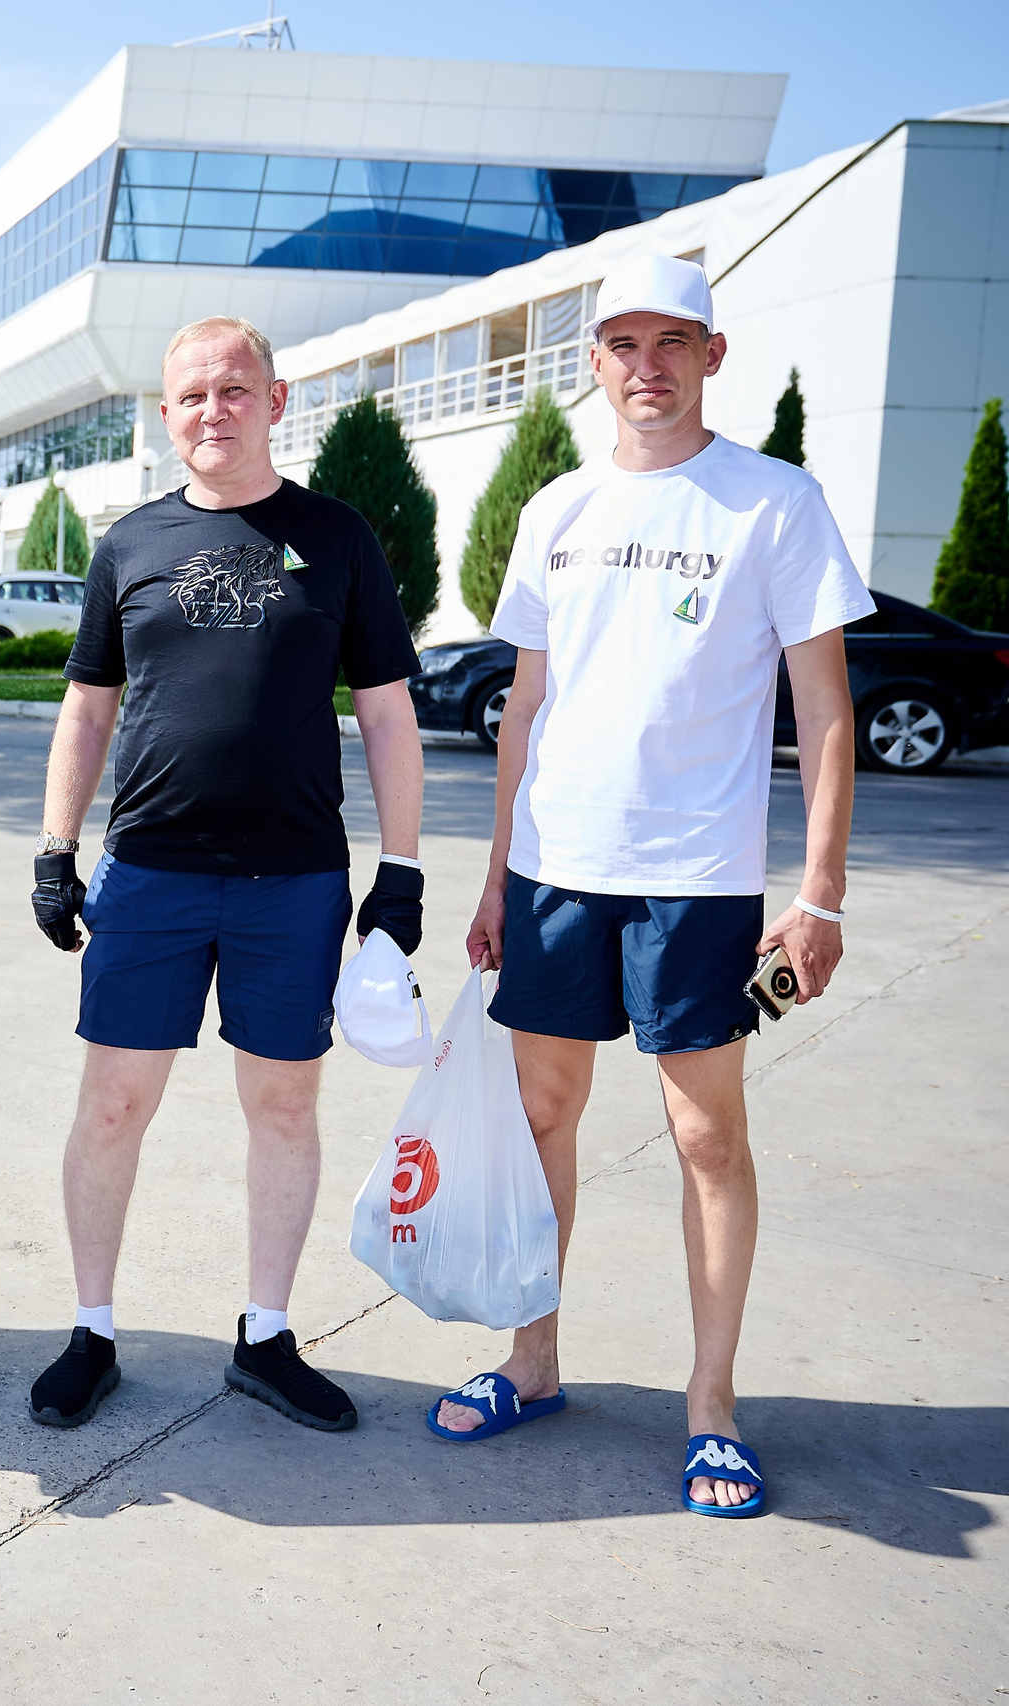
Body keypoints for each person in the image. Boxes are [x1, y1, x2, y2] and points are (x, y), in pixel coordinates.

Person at [447, 255, 869, 1519]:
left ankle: (710, 1404)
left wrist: (822, 893)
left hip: (697, 880)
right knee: (539, 1120)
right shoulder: (554, 511)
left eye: (670, 341)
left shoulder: (772, 503)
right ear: (593, 363)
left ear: (711, 354)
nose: (646, 365)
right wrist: (490, 878)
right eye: (621, 342)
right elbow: (524, 703)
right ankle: (533, 1357)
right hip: (551, 871)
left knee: (705, 1135)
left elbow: (826, 709)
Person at [25, 315, 425, 1434]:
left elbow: (388, 713)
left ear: (275, 399)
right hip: (149, 872)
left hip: (292, 880)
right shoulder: (129, 544)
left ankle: (265, 1331)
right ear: (167, 415)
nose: (213, 410)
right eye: (191, 395)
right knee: (111, 1104)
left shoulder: (336, 537)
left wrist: (400, 872)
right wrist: (56, 849)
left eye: (233, 390)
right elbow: (88, 705)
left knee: (284, 1104)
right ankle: (92, 1329)